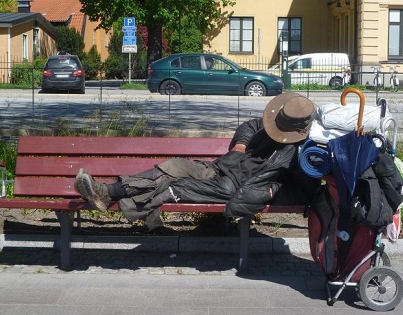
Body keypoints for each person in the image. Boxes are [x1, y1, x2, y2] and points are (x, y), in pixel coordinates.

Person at [74, 92, 321, 229]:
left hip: (234, 189)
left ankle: (108, 193)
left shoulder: (304, 152)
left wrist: (271, 190)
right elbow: (251, 125)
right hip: (220, 168)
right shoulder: (274, 122)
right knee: (175, 166)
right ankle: (106, 192)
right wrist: (241, 144)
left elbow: (304, 191)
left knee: (174, 186)